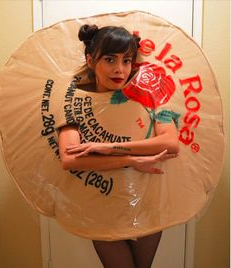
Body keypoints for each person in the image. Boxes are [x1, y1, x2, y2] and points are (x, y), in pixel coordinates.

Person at [58, 24, 179, 268]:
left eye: (127, 60)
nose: (119, 69)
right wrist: (131, 160)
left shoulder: (149, 96)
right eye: (110, 59)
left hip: (147, 200)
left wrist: (109, 148)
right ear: (90, 60)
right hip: (100, 203)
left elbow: (170, 144)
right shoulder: (73, 99)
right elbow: (70, 159)